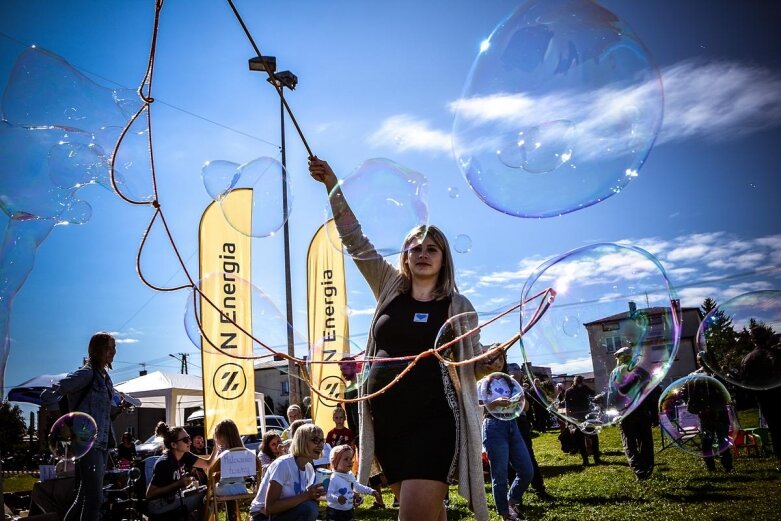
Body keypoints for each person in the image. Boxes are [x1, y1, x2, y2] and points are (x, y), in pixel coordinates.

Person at [310, 157, 489, 521]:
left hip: (433, 422)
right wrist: (332, 185)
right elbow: (354, 239)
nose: (423, 254)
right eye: (415, 248)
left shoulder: (458, 305)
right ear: (405, 256)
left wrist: (489, 363)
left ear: (443, 258)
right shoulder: (389, 286)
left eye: (432, 249)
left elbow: (470, 368)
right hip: (388, 423)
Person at [56, 332, 123, 521]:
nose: (113, 351)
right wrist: (63, 424)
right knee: (95, 498)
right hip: (87, 442)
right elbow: (52, 392)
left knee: (84, 497)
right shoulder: (86, 373)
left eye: (114, 347)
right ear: (95, 350)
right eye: (108, 347)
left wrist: (117, 410)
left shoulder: (106, 378)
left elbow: (102, 412)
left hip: (101, 442)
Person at [480, 352, 534, 520]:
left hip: (513, 425)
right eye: (495, 358)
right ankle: (505, 513)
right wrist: (494, 403)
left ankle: (512, 501)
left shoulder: (510, 382)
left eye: (501, 358)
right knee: (500, 475)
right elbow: (474, 407)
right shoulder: (482, 382)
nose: (499, 362)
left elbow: (526, 408)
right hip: (493, 426)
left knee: (527, 471)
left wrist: (520, 401)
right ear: (486, 362)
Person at [249, 423, 326, 521]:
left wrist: (315, 494)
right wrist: (307, 496)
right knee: (309, 508)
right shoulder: (283, 464)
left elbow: (300, 500)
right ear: (302, 441)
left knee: (310, 508)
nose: (321, 445)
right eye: (316, 440)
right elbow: (270, 507)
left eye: (322, 441)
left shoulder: (309, 468)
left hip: (283, 513)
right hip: (262, 517)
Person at [146, 425, 214, 521]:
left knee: (206, 491)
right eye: (185, 440)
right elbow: (150, 494)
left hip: (173, 498)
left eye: (189, 438)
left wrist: (217, 447)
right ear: (174, 445)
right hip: (158, 505)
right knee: (203, 496)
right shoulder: (165, 463)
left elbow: (207, 464)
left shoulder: (185, 455)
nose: (190, 442)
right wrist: (178, 484)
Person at [507, 363, 552, 501]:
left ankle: (539, 489)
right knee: (509, 460)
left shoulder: (520, 388)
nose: (515, 374)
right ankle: (516, 495)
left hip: (520, 422)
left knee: (529, 456)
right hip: (506, 423)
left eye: (518, 371)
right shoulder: (501, 385)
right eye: (512, 372)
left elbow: (525, 408)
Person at [612, 347, 656, 480]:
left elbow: (615, 394)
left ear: (620, 357)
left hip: (626, 413)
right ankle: (647, 467)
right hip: (642, 411)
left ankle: (640, 470)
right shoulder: (642, 372)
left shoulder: (616, 372)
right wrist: (654, 414)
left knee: (629, 443)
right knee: (645, 441)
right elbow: (652, 394)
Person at [740, 329, 781, 472]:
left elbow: (745, 382)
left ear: (753, 340)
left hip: (765, 398)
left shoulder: (748, 358)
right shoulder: (777, 353)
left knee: (775, 429)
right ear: (768, 337)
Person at [325, 444, 381, 521]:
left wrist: (370, 491)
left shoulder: (349, 474)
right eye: (346, 459)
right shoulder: (334, 478)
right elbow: (328, 495)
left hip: (349, 510)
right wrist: (337, 498)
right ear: (335, 462)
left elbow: (357, 486)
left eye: (351, 459)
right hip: (335, 512)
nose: (350, 462)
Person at [564, 375, 601, 465]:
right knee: (586, 438)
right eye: (580, 381)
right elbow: (567, 406)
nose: (580, 383)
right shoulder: (571, 391)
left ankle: (591, 459)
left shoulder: (580, 389)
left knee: (588, 437)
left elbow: (593, 394)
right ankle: (590, 459)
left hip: (583, 416)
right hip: (581, 416)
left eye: (580, 382)